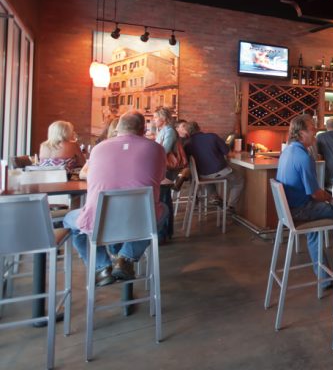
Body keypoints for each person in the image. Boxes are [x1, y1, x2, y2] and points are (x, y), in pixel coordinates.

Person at [62, 111, 167, 286]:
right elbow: (160, 176)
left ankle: (102, 266)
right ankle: (125, 258)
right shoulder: (156, 149)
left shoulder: (98, 148)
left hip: (99, 221)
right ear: (143, 129)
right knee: (161, 213)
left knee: (69, 221)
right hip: (139, 220)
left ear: (118, 128)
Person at [278, 115, 333, 286]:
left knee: (315, 230)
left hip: (288, 211)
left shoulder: (287, 152)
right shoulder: (304, 157)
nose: (315, 130)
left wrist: (327, 199)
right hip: (301, 209)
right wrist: (332, 198)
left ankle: (325, 278)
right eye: (312, 128)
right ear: (300, 133)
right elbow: (315, 194)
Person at [183, 121, 244, 209]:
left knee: (208, 176)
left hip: (202, 175)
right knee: (239, 181)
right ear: (199, 128)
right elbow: (229, 154)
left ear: (187, 132)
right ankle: (231, 206)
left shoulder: (187, 145)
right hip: (219, 172)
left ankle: (214, 196)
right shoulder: (212, 136)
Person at [153, 107, 179, 238]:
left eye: (156, 117)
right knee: (163, 197)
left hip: (168, 169)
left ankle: (164, 233)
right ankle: (165, 232)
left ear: (163, 119)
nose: (154, 120)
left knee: (163, 198)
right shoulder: (163, 130)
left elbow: (164, 151)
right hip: (163, 168)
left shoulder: (169, 131)